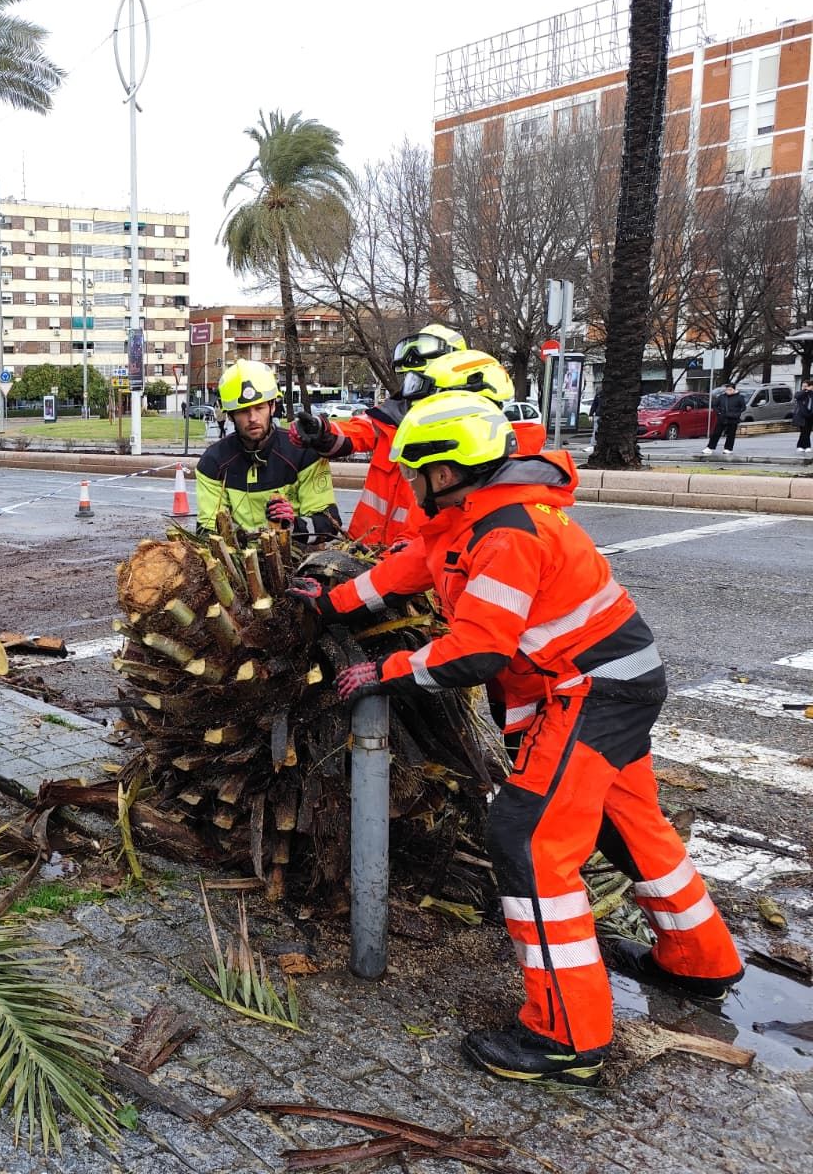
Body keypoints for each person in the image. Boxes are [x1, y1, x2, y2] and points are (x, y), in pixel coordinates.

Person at [289, 392, 743, 1085]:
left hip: (591, 692)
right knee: (630, 826)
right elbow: (406, 569)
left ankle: (567, 1037)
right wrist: (331, 602)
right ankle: (699, 962)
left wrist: (384, 672)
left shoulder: (508, 533)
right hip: (607, 684)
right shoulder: (471, 519)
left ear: (445, 473)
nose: (405, 482)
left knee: (528, 839)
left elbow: (478, 651)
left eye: (413, 471)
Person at [290, 332, 542, 545]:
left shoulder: (485, 453)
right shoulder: (393, 415)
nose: (416, 394)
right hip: (369, 544)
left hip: (412, 558)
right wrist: (321, 431)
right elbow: (356, 432)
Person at [194, 359, 341, 541]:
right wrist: (239, 539)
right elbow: (207, 530)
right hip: (238, 556)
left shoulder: (303, 452)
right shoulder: (213, 461)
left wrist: (293, 526)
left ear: (272, 407)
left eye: (259, 408)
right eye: (243, 411)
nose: (253, 418)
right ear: (230, 415)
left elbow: (330, 524)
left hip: (298, 554)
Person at [702, 380, 746, 458]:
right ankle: (710, 447)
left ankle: (728, 448)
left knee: (731, 434)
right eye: (727, 389)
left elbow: (743, 407)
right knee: (716, 433)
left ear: (734, 390)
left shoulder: (739, 397)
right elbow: (715, 405)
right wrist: (719, 412)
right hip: (722, 418)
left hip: (733, 419)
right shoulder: (722, 397)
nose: (728, 391)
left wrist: (736, 413)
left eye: (730, 390)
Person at [793, 376, 813, 455]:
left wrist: (810, 391)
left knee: (807, 432)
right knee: (804, 431)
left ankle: (800, 446)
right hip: (801, 416)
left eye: (806, 386)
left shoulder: (811, 394)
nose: (804, 387)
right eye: (803, 386)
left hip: (810, 416)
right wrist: (805, 390)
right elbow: (797, 396)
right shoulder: (800, 393)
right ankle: (807, 446)